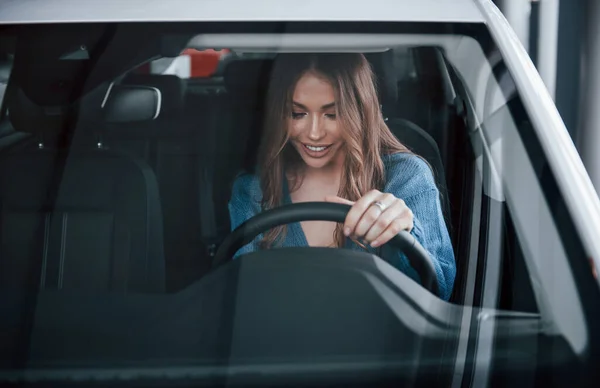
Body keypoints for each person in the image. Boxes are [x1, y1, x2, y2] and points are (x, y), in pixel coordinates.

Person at [228, 53, 456, 300]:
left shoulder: (406, 177)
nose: (314, 133)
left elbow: (439, 292)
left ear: (360, 111)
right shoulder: (254, 190)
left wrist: (405, 236)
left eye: (332, 114)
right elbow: (244, 295)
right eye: (297, 114)